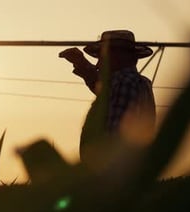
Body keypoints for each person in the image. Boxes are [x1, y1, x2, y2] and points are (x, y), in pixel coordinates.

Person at [59, 30, 156, 163]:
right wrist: (81, 63)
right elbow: (104, 88)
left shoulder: (124, 83)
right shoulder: (138, 82)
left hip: (116, 172)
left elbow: (115, 135)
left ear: (117, 56)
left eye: (103, 56)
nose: (99, 63)